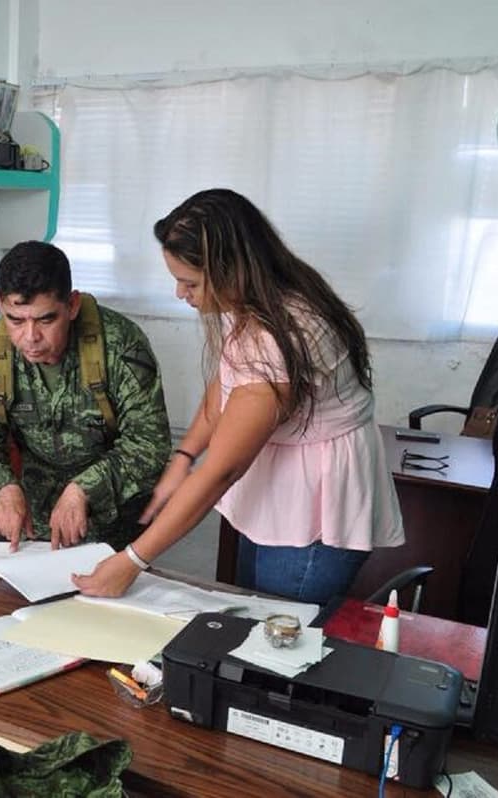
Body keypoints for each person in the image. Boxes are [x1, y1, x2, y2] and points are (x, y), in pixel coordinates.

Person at [73, 188, 404, 605]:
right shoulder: (256, 299)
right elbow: (227, 383)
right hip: (281, 481)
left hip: (316, 505)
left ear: (232, 268)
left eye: (188, 282)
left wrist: (132, 561)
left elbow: (221, 472)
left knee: (279, 632)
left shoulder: (282, 335)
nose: (180, 293)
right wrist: (183, 456)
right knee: (252, 614)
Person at [0, 241, 171, 551]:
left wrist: (84, 490)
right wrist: (1, 487)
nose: (30, 337)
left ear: (72, 305)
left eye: (46, 320)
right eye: (15, 320)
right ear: (1, 305)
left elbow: (149, 444)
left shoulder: (120, 346)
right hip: (38, 526)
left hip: (118, 526)